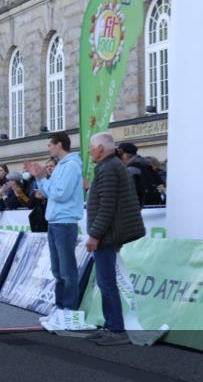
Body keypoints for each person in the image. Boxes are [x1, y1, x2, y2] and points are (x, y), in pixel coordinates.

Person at [85, 132, 146, 346]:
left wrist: (95, 235)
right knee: (106, 282)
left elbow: (107, 207)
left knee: (107, 282)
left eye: (91, 148)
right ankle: (111, 325)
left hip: (106, 235)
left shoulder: (109, 168)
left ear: (101, 148)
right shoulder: (111, 166)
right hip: (110, 234)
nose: (89, 151)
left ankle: (116, 329)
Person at [26, 132, 84, 320]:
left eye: (50, 145)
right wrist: (40, 178)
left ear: (59, 145)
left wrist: (43, 180)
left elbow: (60, 194)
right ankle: (60, 309)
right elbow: (50, 192)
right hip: (55, 222)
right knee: (58, 271)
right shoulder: (61, 166)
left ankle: (69, 311)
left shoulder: (71, 165)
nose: (48, 148)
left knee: (67, 271)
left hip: (65, 222)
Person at [116, 142, 164, 206]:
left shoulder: (131, 169)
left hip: (139, 206)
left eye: (120, 154)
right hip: (153, 205)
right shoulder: (147, 166)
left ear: (126, 154)